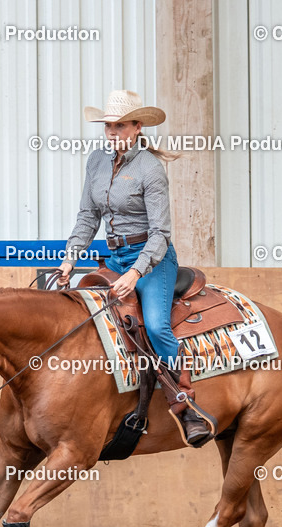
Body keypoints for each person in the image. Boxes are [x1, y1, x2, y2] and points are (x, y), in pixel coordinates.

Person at [56, 89, 213, 446]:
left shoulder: (150, 168)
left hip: (152, 259)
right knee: (78, 311)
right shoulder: (96, 161)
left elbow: (160, 234)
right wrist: (69, 258)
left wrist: (135, 273)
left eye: (120, 126)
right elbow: (88, 216)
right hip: (114, 258)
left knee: (156, 326)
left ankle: (184, 403)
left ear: (138, 127)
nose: (113, 132)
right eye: (108, 126)